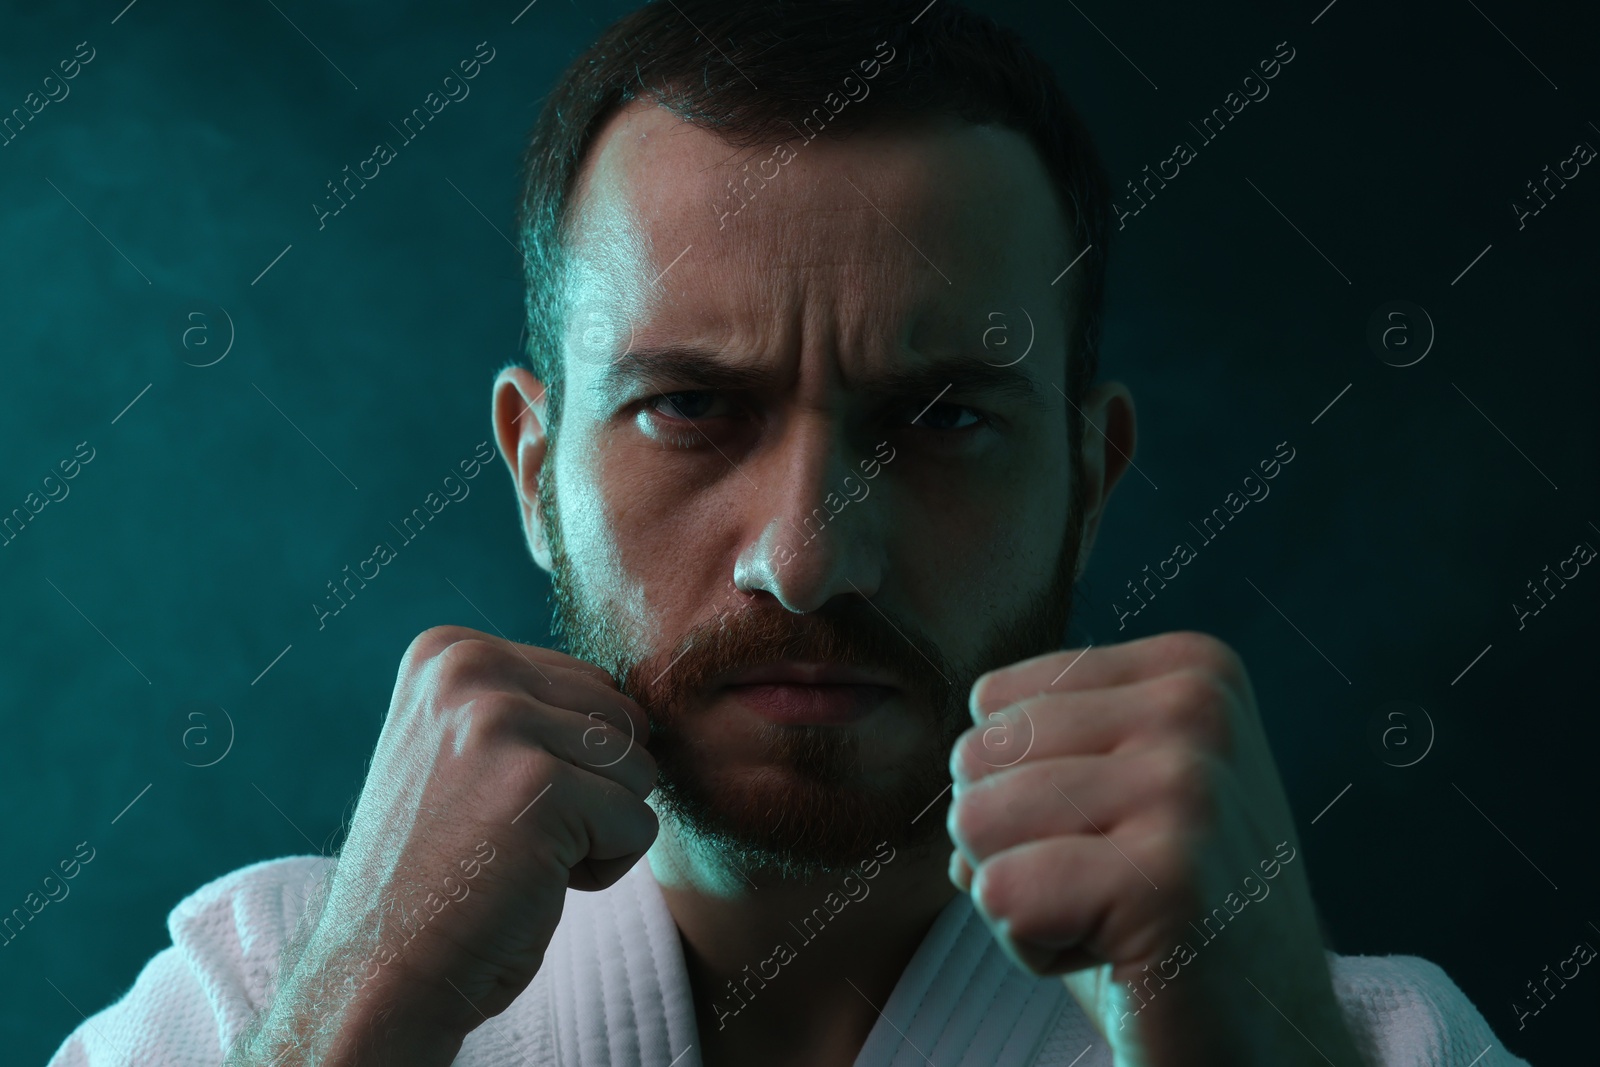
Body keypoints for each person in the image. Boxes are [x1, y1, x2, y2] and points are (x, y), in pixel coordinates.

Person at [49, 1, 1530, 1064]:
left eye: (943, 418)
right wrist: (360, 1015)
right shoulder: (257, 1000)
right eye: (691, 408)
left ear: (1091, 477)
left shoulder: (1375, 1048)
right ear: (531, 468)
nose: (810, 558)